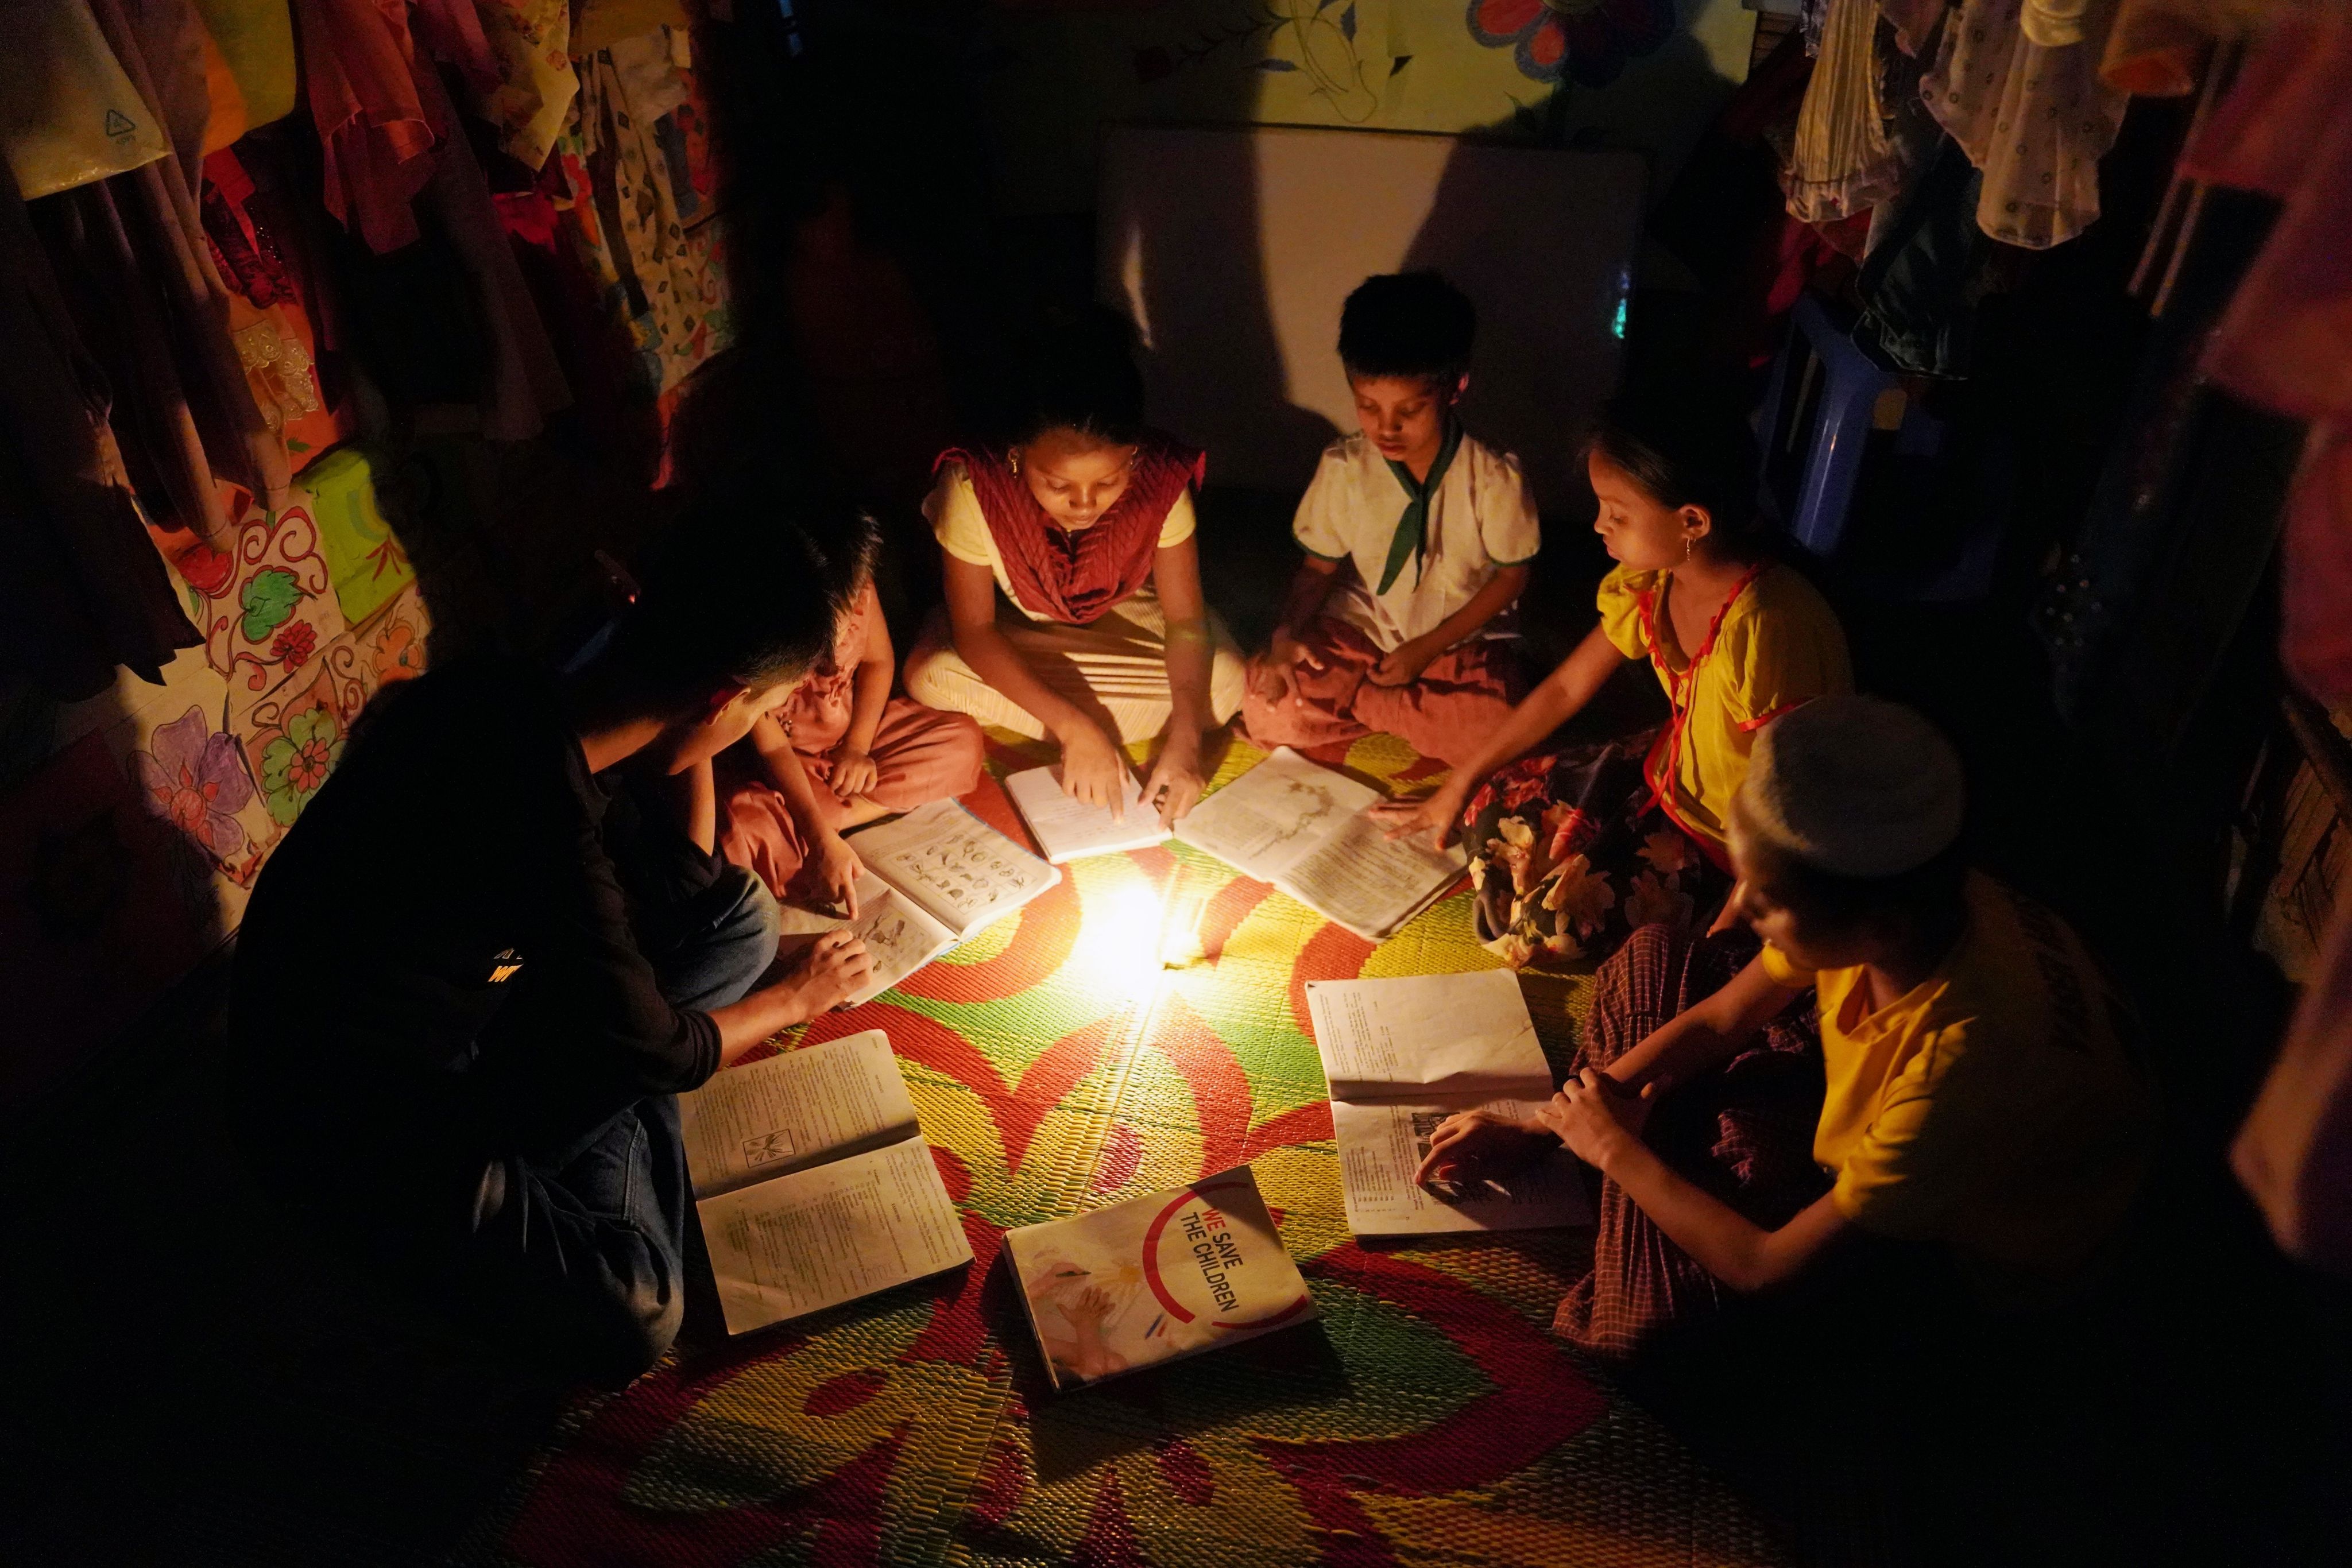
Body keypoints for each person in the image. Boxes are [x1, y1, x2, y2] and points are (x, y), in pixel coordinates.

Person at [226, 474, 879, 1387]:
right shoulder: (537, 805)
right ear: (723, 695)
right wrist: (797, 998)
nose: (756, 730)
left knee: (736, 918)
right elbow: (663, 1049)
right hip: (377, 1107)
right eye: (763, 711)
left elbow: (669, 888)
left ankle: (598, 1119)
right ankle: (580, 1169)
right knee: (642, 1304)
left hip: (491, 981)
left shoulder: (526, 695)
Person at [1414, 697, 2154, 1362]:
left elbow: (1764, 1267)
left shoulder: (1968, 1069)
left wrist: (1611, 1147)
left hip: (1949, 1261)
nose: (1739, 913)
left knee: (1647, 1327)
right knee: (1656, 955)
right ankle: (1650, 1175)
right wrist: (1550, 1129)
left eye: (1765, 900)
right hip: (1856, 1107)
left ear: (1874, 925)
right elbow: (1724, 1014)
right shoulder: (1915, 907)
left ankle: (1647, 1185)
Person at [1372, 394, 1851, 967]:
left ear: (1692, 521)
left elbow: (1790, 807)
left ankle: (1694, 907)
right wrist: (1460, 782)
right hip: (1661, 773)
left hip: (1735, 842)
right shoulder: (1653, 579)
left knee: (1560, 925)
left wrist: (1725, 937)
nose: (1598, 524)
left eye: (1617, 513)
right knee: (1487, 802)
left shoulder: (1769, 629)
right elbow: (1565, 688)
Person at [902, 316, 1246, 827]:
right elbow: (976, 633)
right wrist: (1073, 727)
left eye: (1108, 482)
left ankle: (1109, 722)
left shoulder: (1160, 480)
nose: (1085, 504)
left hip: (1130, 618)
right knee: (932, 676)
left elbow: (1185, 621)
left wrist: (1187, 739)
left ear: (1134, 455)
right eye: (1057, 484)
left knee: (1228, 683)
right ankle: (1095, 727)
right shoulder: (977, 485)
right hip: (1024, 628)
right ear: (1018, 458)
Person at [1241, 271, 1539, 766]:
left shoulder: (1492, 478)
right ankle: (1390, 705)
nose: (1387, 427)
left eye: (1409, 410)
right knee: (1267, 707)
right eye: (1368, 407)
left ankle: (1364, 702)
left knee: (1498, 728)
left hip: (1455, 633)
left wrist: (1425, 650)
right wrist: (1285, 634)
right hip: (1367, 623)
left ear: (1455, 388)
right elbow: (1318, 569)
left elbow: (1511, 579)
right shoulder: (1346, 466)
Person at [716, 563, 984, 913]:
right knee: (742, 831)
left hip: (854, 736)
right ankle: (822, 826)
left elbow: (878, 662)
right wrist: (820, 835)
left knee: (961, 741)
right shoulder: (762, 629)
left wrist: (857, 746)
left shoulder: (856, 583)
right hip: (785, 769)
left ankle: (841, 817)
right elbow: (773, 748)